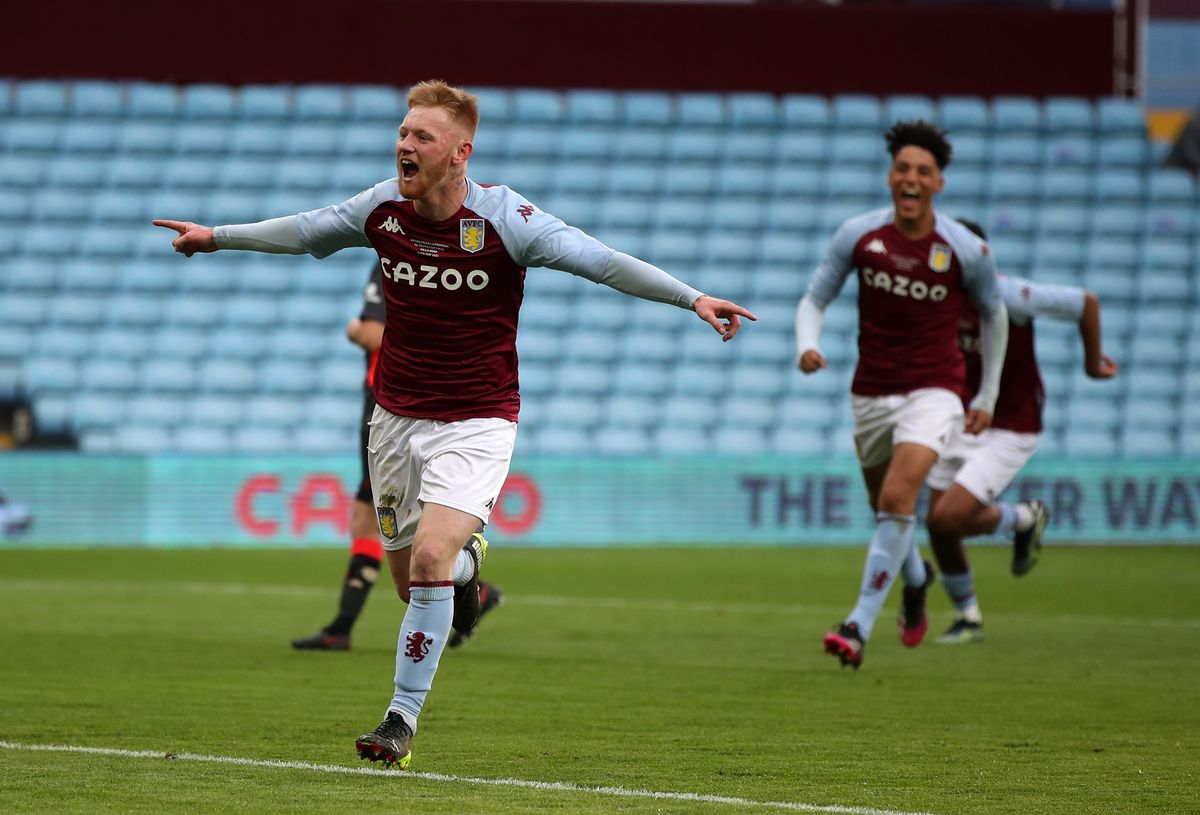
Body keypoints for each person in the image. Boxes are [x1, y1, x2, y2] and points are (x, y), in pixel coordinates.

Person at [154, 79, 755, 769]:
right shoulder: (382, 207)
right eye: (404, 132)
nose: (405, 145)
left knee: (431, 561)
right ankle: (472, 566)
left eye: (422, 137)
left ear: (459, 154)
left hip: (478, 419)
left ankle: (398, 721)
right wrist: (216, 237)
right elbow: (305, 229)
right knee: (415, 584)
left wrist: (693, 298)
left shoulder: (508, 220)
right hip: (395, 420)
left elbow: (602, 262)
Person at [794, 120, 1009, 670]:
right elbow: (815, 298)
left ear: (939, 183)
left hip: (936, 389)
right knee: (884, 507)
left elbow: (994, 314)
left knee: (897, 500)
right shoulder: (859, 236)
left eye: (924, 172)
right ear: (891, 177)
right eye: (903, 169)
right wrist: (807, 344)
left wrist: (985, 394)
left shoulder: (965, 248)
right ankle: (916, 579)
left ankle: (857, 626)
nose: (911, 179)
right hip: (871, 388)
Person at [291, 263, 504, 652]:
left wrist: (354, 329)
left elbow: (371, 332)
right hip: (391, 405)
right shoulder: (424, 261)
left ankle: (469, 583)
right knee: (366, 519)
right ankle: (343, 625)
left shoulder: (397, 261)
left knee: (390, 530)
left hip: (394, 411)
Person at [924, 219, 1118, 645]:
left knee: (949, 517)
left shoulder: (1009, 294)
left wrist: (1091, 365)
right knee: (937, 526)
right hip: (960, 418)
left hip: (1012, 423)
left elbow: (1084, 303)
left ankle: (1024, 517)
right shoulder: (935, 297)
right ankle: (968, 616)